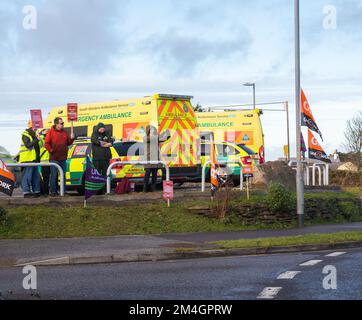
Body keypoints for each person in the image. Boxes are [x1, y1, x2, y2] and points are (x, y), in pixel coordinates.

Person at [45, 117, 74, 197]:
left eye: (63, 123)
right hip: (54, 158)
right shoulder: (50, 132)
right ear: (56, 124)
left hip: (63, 158)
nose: (62, 125)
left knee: (63, 175)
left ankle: (63, 191)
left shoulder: (65, 132)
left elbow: (68, 143)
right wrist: (51, 150)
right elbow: (46, 143)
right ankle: (53, 192)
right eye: (61, 123)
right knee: (54, 175)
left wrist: (72, 138)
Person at [143, 125, 170, 192]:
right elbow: (159, 138)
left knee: (154, 175)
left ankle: (153, 188)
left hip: (155, 159)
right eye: (152, 130)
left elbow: (163, 139)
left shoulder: (155, 138)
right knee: (147, 174)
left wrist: (168, 133)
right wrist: (164, 133)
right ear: (148, 131)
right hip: (148, 160)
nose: (153, 131)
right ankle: (145, 189)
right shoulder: (146, 138)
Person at [19, 121, 41, 198]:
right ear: (31, 127)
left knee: (35, 177)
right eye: (35, 127)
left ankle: (36, 191)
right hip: (27, 159)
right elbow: (28, 145)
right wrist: (37, 139)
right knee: (27, 177)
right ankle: (26, 192)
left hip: (34, 160)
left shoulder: (35, 135)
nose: (37, 129)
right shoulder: (25, 134)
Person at [38, 129, 50, 196]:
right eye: (46, 131)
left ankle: (47, 192)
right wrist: (39, 137)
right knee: (46, 178)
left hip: (50, 161)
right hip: (45, 162)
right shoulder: (42, 138)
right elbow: (39, 143)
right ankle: (45, 192)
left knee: (48, 178)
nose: (47, 131)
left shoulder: (49, 138)